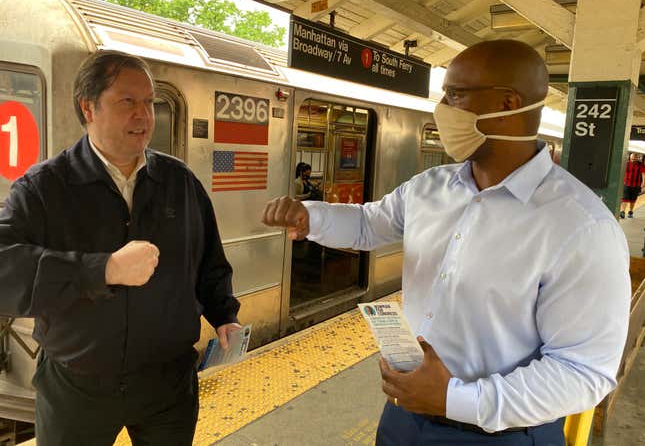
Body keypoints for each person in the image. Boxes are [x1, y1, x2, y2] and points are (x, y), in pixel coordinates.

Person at [262, 40, 630, 445]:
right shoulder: (430, 188)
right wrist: (310, 216)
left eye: (455, 94)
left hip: (499, 433)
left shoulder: (580, 228)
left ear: (507, 103)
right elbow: (370, 224)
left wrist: (454, 400)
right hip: (404, 416)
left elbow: (583, 371)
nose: (442, 107)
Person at [0, 50, 241, 445]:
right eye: (127, 101)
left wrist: (224, 315)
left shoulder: (179, 182)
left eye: (149, 101)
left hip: (168, 386)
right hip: (78, 386)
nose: (143, 114)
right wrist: (102, 269)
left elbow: (209, 263)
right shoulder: (44, 188)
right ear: (88, 107)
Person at [619, 153, 645, 218]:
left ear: (637, 158)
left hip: (636, 185)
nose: (632, 160)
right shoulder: (627, 164)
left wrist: (643, 183)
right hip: (627, 184)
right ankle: (622, 212)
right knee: (624, 198)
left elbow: (643, 174)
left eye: (633, 158)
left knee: (633, 200)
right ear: (630, 158)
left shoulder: (641, 165)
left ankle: (630, 211)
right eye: (631, 158)